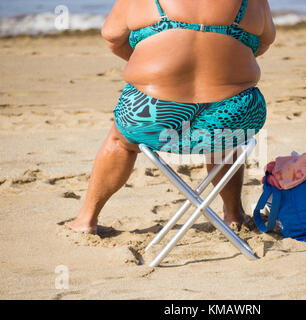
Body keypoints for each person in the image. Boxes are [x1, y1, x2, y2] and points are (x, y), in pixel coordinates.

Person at [67, 0, 276, 234]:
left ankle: (86, 220)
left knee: (121, 141)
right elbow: (262, 43)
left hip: (153, 117)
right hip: (233, 116)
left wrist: (152, 60)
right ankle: (233, 214)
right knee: (227, 135)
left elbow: (113, 38)